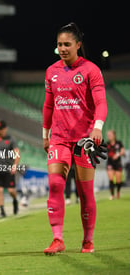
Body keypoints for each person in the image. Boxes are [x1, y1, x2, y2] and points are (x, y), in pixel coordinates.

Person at [42, 23, 107, 255]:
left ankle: (87, 240)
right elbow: (48, 105)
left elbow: (101, 103)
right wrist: (45, 133)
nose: (62, 48)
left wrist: (97, 128)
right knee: (56, 184)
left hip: (83, 141)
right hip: (59, 138)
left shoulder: (91, 70)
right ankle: (57, 239)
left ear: (78, 45)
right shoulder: (51, 72)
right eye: (59, 44)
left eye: (67, 44)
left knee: (85, 191)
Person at [0, 120, 20, 218]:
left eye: (1, 129)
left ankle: (15, 200)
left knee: (11, 191)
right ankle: (2, 210)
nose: (0, 131)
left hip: (8, 168)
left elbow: (16, 153)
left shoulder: (11, 139)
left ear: (5, 128)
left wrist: (15, 165)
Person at [106, 130, 125, 200]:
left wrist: (117, 154)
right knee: (111, 179)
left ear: (114, 135)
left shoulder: (119, 143)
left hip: (118, 163)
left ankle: (118, 192)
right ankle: (112, 195)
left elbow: (123, 151)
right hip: (110, 163)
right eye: (108, 135)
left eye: (110, 135)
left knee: (118, 181)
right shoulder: (107, 144)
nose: (109, 136)